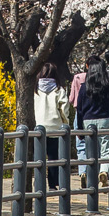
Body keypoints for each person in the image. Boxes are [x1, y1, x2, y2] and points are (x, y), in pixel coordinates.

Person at [74, 57, 109, 183]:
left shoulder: (84, 88)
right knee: (105, 150)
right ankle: (104, 171)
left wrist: (79, 128)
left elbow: (79, 109)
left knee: (91, 151)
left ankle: (88, 176)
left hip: (88, 121)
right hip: (105, 120)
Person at [33, 61, 73, 191]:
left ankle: (38, 183)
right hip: (55, 127)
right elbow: (64, 108)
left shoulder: (35, 88)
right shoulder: (58, 89)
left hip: (39, 127)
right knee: (53, 158)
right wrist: (65, 123)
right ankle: (52, 184)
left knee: (39, 158)